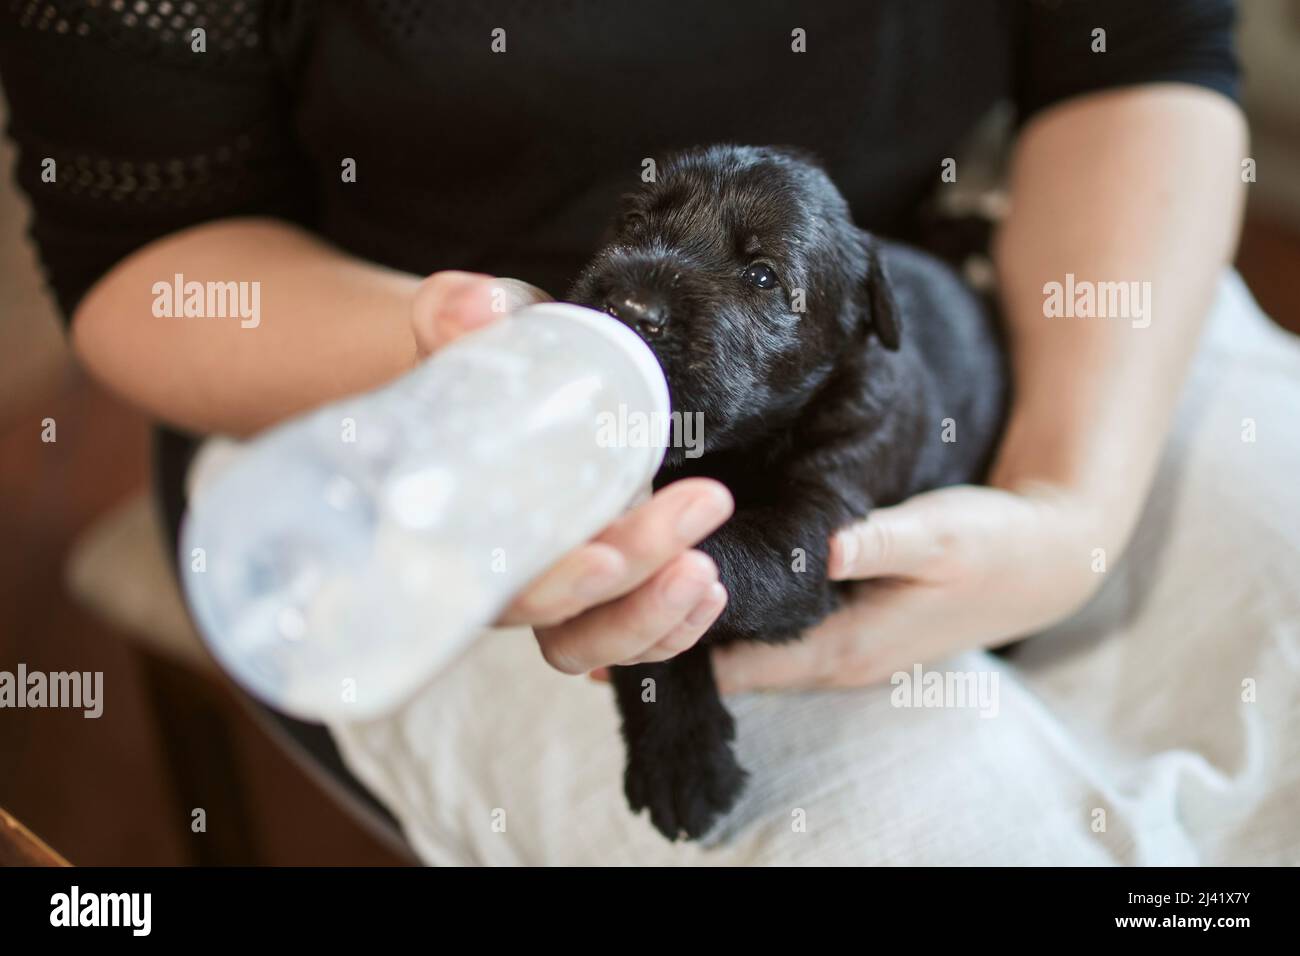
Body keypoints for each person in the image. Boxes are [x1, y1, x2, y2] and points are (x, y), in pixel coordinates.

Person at [0, 1, 1253, 859]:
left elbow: (1145, 43)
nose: (651, 278)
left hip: (1040, 257)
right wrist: (471, 370)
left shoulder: (871, 364)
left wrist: (1074, 497)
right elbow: (137, 246)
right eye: (651, 217)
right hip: (366, 370)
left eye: (751, 278)